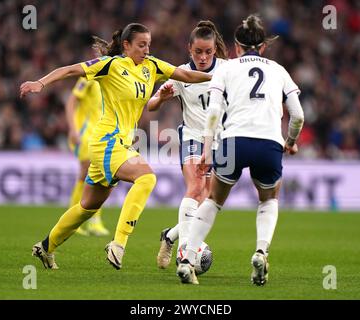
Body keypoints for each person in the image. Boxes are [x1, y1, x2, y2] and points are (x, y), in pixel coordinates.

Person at [20, 23, 212, 270]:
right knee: (147, 178)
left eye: (148, 45)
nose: (146, 49)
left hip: (121, 144)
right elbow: (69, 70)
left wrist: (220, 77)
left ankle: (45, 248)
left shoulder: (151, 66)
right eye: (141, 45)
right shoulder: (110, 65)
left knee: (87, 207)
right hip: (106, 142)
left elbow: (186, 75)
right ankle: (118, 244)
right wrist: (41, 83)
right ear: (126, 45)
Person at [176, 14, 304, 285]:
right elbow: (298, 115)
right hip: (269, 142)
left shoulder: (226, 69)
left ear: (236, 46)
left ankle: (187, 259)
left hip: (233, 141)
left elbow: (213, 112)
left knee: (212, 201)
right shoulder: (279, 70)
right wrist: (290, 142)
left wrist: (207, 149)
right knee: (268, 199)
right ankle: (260, 251)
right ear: (263, 46)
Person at [146, 21, 228, 269]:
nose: (203, 57)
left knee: (208, 203)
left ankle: (170, 235)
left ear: (215, 50)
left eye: (208, 52)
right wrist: (162, 97)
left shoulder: (227, 70)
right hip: (192, 137)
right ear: (189, 49)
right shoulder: (181, 73)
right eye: (198, 52)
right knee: (194, 188)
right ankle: (186, 252)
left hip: (221, 142)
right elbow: (150, 105)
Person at [65, 47, 109, 236]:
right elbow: (71, 102)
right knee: (86, 172)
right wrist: (73, 128)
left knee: (100, 176)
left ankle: (89, 220)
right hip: (85, 133)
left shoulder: (111, 80)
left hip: (102, 134)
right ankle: (76, 220)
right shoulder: (87, 78)